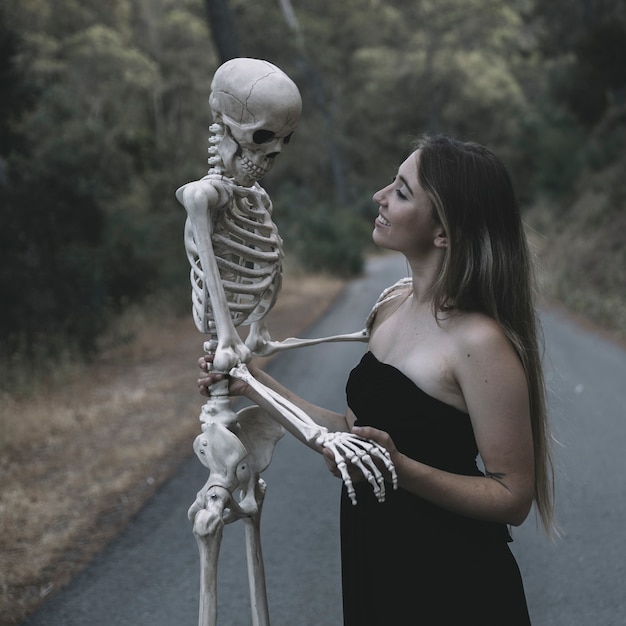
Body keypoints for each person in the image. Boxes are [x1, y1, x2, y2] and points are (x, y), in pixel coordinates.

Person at [198, 133, 556, 625]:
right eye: (393, 181)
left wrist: (401, 470)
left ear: (444, 233)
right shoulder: (392, 305)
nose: (379, 196)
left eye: (402, 192)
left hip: (454, 584)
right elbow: (350, 434)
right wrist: (251, 382)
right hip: (376, 561)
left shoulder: (480, 342)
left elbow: (513, 497)